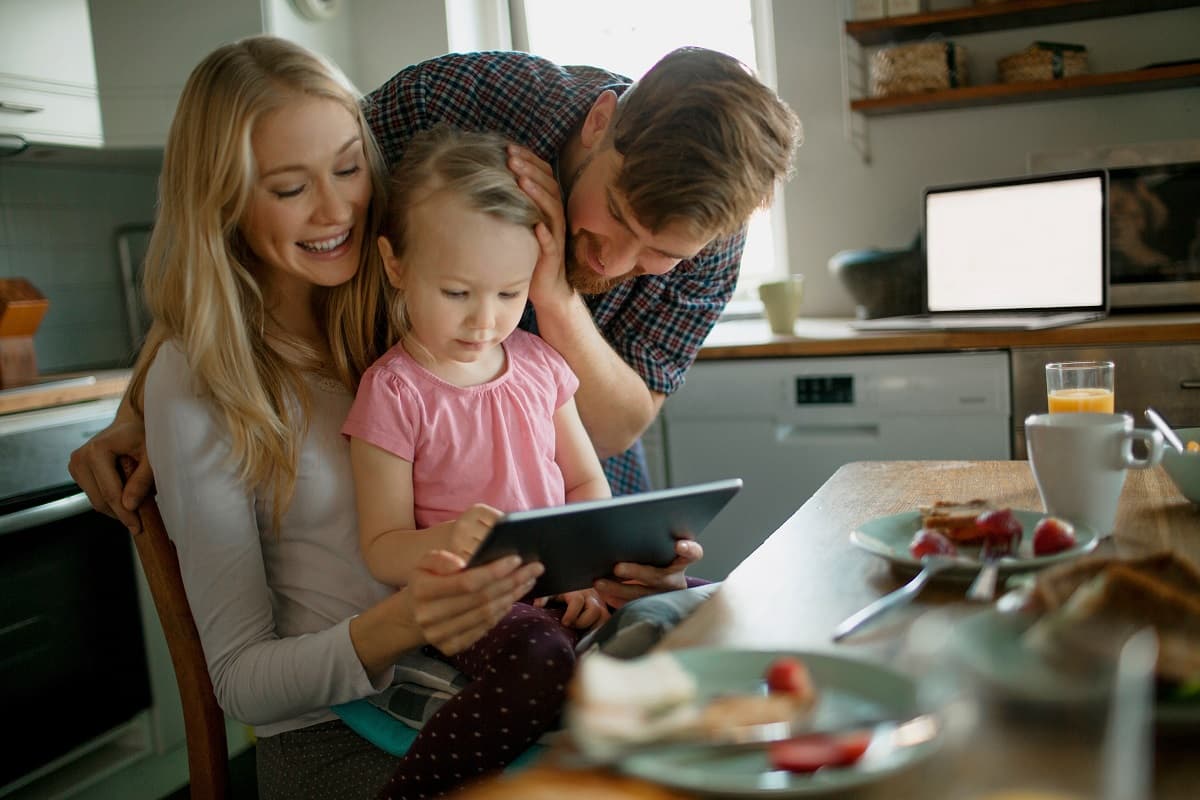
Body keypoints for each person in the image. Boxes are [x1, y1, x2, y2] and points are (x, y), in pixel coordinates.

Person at [71, 47, 801, 610]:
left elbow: (614, 428)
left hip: (571, 454)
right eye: (616, 218)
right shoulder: (461, 101)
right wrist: (144, 403)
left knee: (676, 620)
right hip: (419, 459)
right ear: (601, 122)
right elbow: (274, 216)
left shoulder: (713, 235)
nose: (619, 259)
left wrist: (555, 296)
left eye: (661, 255)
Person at [103, 37, 547, 799]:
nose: (336, 208)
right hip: (333, 743)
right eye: (288, 188)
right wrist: (410, 619)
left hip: (467, 697)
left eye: (348, 169)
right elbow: (240, 682)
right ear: (223, 199)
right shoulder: (202, 375)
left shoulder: (399, 315)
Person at [343, 125, 613, 797]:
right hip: (471, 605)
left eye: (508, 293)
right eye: (458, 293)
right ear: (397, 265)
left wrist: (589, 573)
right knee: (541, 657)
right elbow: (380, 548)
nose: (485, 320)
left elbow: (583, 480)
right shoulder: (395, 390)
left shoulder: (541, 365)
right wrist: (450, 543)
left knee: (702, 607)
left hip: (558, 586)